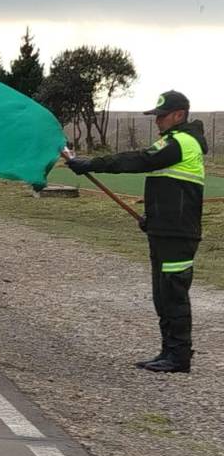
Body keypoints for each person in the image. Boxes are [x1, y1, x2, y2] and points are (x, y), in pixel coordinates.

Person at [67, 90, 207, 374]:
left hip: (178, 236)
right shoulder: (173, 142)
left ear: (179, 115)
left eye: (161, 116)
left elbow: (138, 160)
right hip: (165, 231)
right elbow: (168, 189)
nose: (157, 122)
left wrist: (91, 164)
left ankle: (179, 356)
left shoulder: (182, 142)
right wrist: (152, 219)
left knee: (173, 294)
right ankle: (169, 351)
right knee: (162, 294)